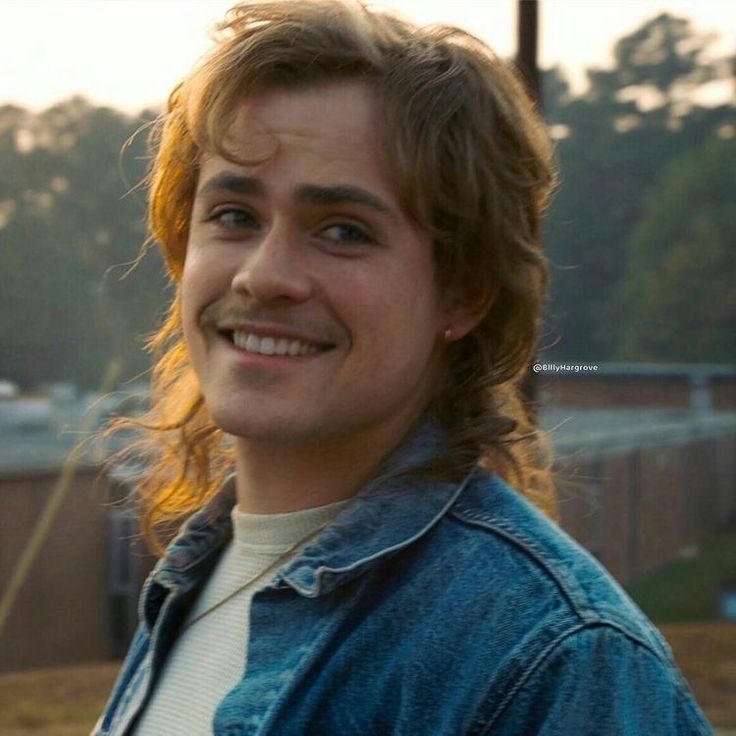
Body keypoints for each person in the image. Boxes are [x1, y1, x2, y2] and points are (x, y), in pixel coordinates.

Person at [94, 1, 713, 734]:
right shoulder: (200, 578)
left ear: (464, 292)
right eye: (234, 215)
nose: (264, 277)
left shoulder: (554, 660)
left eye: (343, 231)